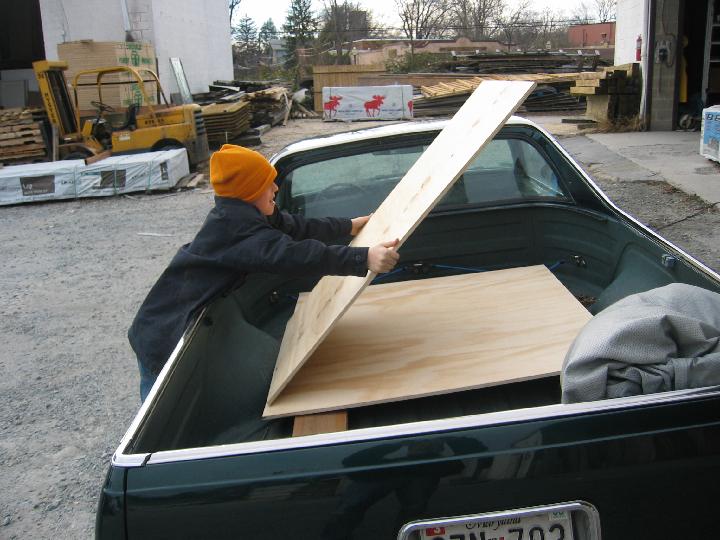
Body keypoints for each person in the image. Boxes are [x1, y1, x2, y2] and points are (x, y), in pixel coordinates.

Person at [128, 144, 399, 401]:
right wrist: (363, 257)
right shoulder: (236, 230)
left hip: (179, 321)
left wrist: (348, 226)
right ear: (248, 192)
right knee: (166, 404)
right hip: (163, 335)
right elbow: (293, 255)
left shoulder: (244, 213)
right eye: (266, 184)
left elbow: (295, 227)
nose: (275, 187)